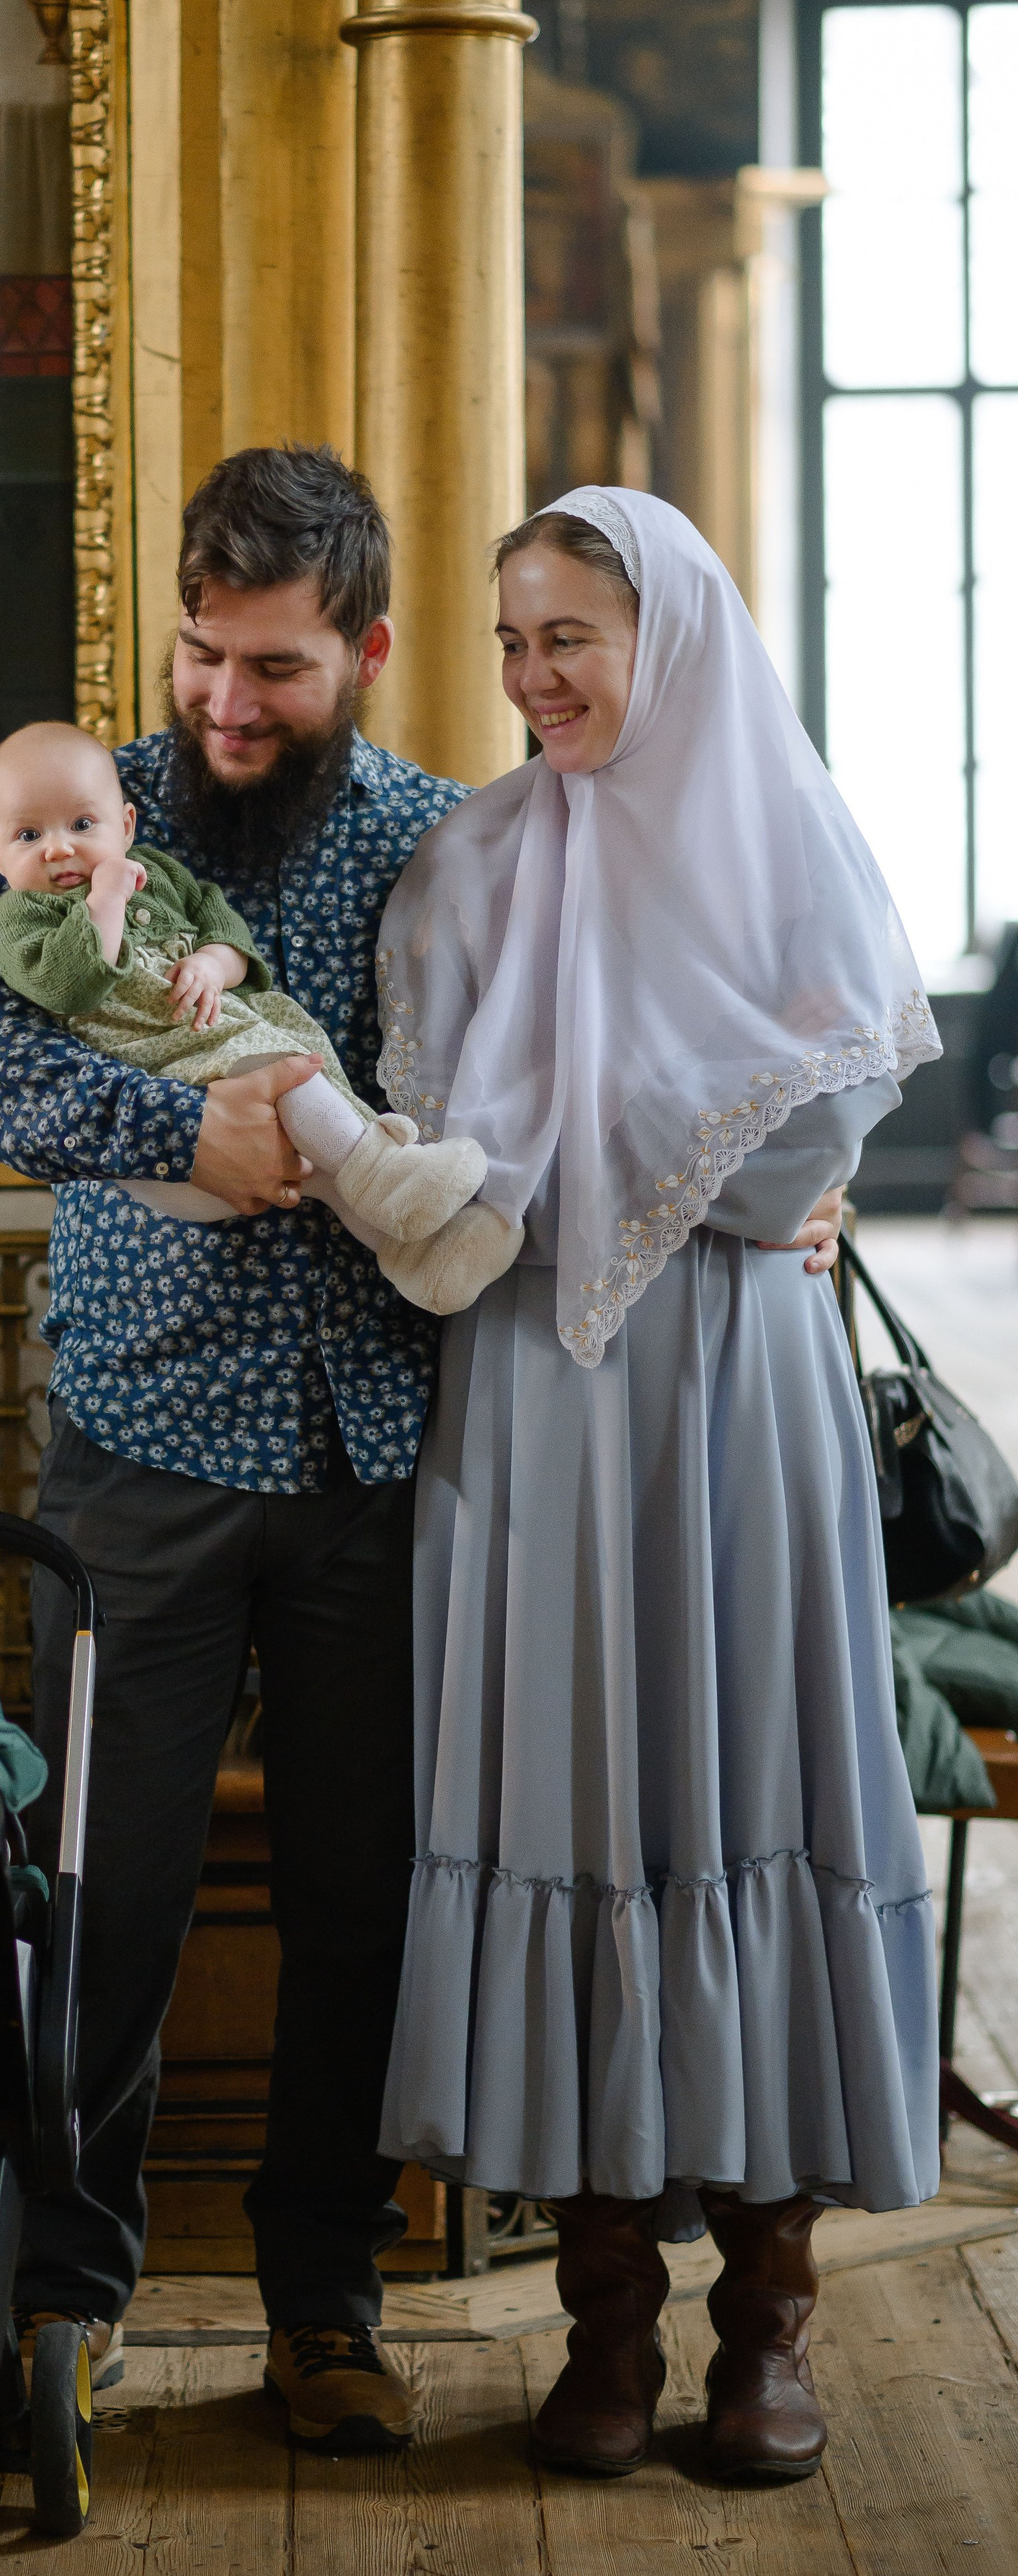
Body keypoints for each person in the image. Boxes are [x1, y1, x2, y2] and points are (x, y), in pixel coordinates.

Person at [0, 445, 845, 2454]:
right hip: (146, 1446)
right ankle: (64, 2301)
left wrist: (769, 1171)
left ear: (371, 652)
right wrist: (186, 1138)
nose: (230, 708)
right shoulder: (79, 820)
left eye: (279, 672)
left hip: (387, 1470)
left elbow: (611, 1057)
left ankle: (323, 2310)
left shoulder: (449, 839)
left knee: (360, 1916)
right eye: (202, 658)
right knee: (109, 1898)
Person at [375, 488, 939, 2487]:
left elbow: (796, 1164)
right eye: (510, 640)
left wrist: (639, 1141)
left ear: (671, 642)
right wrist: (661, 1130)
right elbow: (436, 1168)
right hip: (530, 1391)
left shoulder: (796, 857)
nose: (532, 680)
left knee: (751, 1776)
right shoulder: (462, 865)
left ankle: (766, 2324)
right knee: (571, 1789)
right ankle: (601, 2313)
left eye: (569, 642)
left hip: (739, 1393)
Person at [0, 715, 485, 1251]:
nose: (58, 849)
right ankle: (388, 1174)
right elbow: (68, 986)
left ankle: (413, 1253)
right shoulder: (22, 915)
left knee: (321, 1165)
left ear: (125, 826)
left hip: (224, 1050)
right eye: (29, 836)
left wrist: (215, 964)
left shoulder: (158, 872)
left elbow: (224, 926)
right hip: (172, 1101)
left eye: (83, 825)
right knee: (289, 1078)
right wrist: (105, 901)